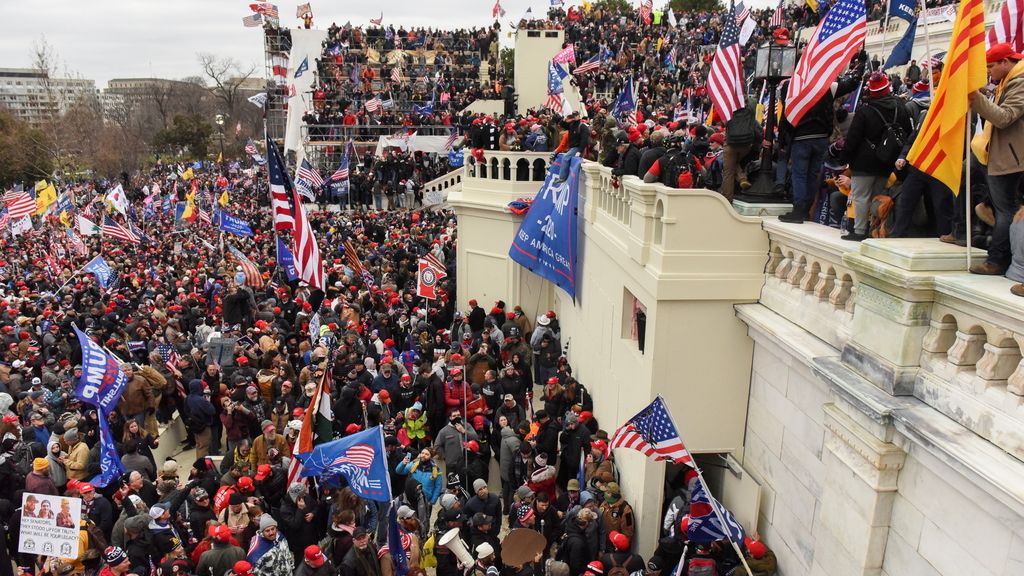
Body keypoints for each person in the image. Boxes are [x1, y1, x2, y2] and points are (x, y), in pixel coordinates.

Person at [969, 42, 1024, 277]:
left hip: (1011, 159)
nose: (989, 72)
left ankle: (997, 260)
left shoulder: (1019, 83)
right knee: (1004, 210)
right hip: (1003, 156)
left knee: (1005, 211)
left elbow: (1004, 118)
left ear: (1005, 62)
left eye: (991, 66)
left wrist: (976, 98)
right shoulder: (1007, 82)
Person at [838, 72, 912, 241]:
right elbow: (907, 132)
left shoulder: (865, 110)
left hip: (863, 163)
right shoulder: (900, 107)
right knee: (877, 197)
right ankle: (875, 229)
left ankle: (859, 231)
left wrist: (844, 159)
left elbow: (853, 138)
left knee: (861, 197)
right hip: (887, 161)